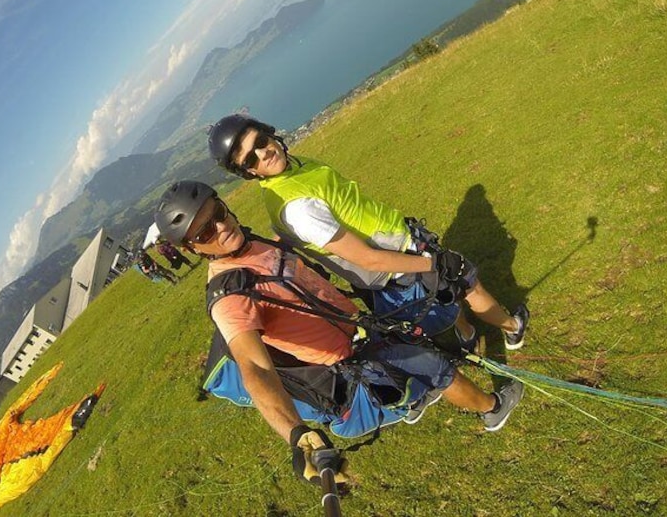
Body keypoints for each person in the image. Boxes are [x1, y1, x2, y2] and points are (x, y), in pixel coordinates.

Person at [153, 181, 524, 484]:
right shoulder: (230, 297)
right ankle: (493, 409)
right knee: (439, 368)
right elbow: (256, 370)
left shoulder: (251, 243)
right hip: (349, 360)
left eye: (217, 213)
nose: (221, 227)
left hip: (358, 330)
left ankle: (411, 401)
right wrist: (297, 436)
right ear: (191, 248)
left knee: (417, 353)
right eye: (205, 231)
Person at [207, 114, 529, 354]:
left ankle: (466, 332)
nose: (263, 154)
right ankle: (512, 329)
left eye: (260, 142)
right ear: (249, 171)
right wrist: (435, 263)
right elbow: (366, 258)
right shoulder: (296, 206)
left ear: (269, 134)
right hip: (395, 259)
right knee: (464, 280)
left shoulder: (294, 168)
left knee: (442, 294)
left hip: (397, 241)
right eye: (251, 158)